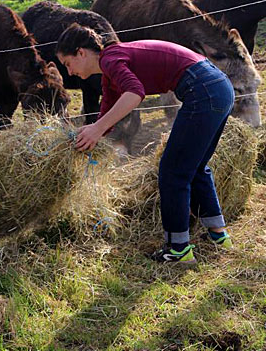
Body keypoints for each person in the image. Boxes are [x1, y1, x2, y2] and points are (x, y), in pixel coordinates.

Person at [55, 23, 235, 264]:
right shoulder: (110, 71)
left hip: (202, 89)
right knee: (195, 166)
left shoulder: (111, 58)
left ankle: (178, 248)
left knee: (173, 171)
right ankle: (218, 234)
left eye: (67, 64)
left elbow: (134, 93)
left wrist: (96, 130)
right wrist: (86, 133)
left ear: (81, 52)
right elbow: (107, 114)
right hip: (218, 86)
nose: (69, 73)